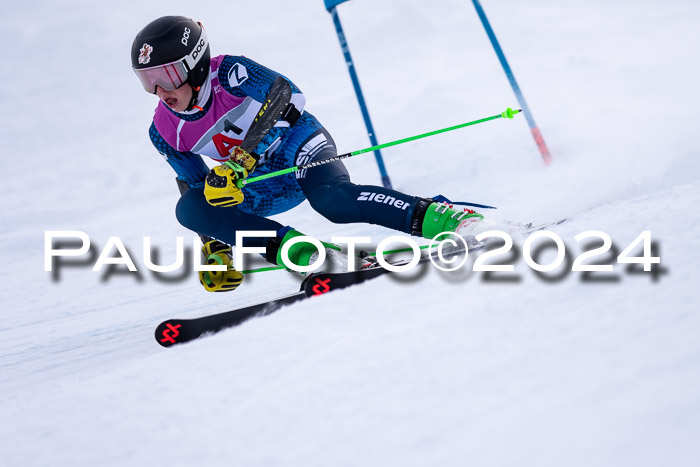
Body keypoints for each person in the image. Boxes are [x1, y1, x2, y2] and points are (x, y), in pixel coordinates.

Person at [131, 16, 483, 292]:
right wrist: (215, 245)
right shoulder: (161, 129)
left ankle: (448, 218)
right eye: (148, 80)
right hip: (259, 186)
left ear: (195, 64)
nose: (160, 90)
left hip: (299, 146)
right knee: (190, 207)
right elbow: (199, 187)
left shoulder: (231, 73)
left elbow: (288, 95)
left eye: (167, 74)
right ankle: (303, 254)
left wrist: (240, 161)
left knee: (333, 202)